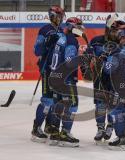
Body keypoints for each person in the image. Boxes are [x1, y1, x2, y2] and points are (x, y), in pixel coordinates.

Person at [100, 20, 125, 150]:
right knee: (124, 110)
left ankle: (121, 138)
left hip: (119, 86)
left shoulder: (118, 52)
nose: (116, 36)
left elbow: (108, 69)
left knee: (116, 111)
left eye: (118, 33)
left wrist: (104, 59)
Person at [48, 17, 85, 147]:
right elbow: (70, 62)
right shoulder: (71, 40)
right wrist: (83, 59)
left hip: (55, 77)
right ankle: (65, 133)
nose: (81, 29)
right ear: (72, 27)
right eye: (79, 27)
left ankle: (54, 133)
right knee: (72, 105)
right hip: (66, 80)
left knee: (58, 104)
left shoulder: (62, 38)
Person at [31, 6, 65, 143]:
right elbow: (36, 51)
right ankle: (36, 127)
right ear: (53, 16)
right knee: (47, 101)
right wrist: (46, 42)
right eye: (60, 16)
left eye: (62, 16)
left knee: (56, 101)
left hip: (59, 72)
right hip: (47, 70)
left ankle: (49, 127)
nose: (61, 19)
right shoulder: (45, 30)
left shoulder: (61, 31)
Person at [84, 14, 119, 144]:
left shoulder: (120, 42)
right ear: (107, 27)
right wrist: (87, 66)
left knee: (112, 104)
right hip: (99, 77)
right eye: (112, 28)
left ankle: (110, 126)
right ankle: (100, 128)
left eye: (116, 29)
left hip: (115, 78)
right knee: (100, 105)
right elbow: (86, 55)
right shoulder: (96, 40)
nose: (114, 31)